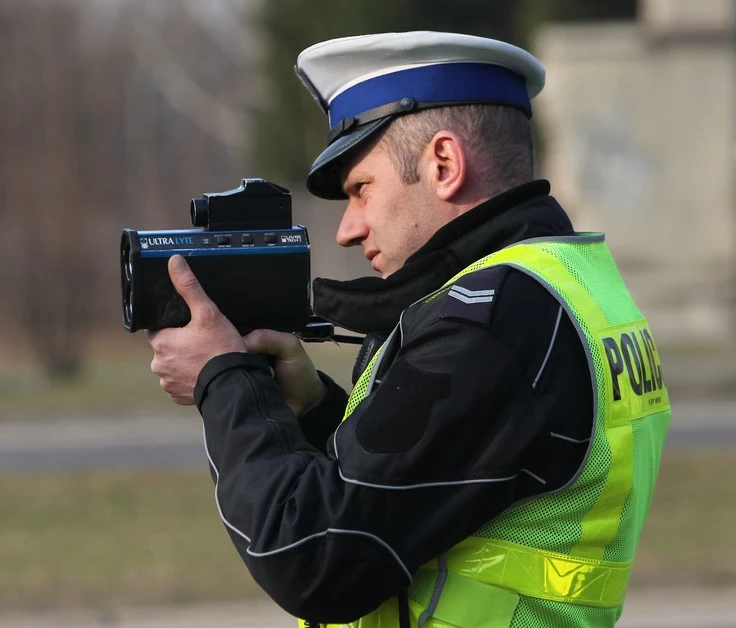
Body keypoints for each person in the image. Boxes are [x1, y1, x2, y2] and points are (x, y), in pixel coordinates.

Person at [146, 32, 671, 627]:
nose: (347, 228)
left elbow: (316, 557)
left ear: (444, 164)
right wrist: (314, 409)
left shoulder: (491, 322)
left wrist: (225, 380)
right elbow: (437, 488)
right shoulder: (565, 283)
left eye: (361, 190)